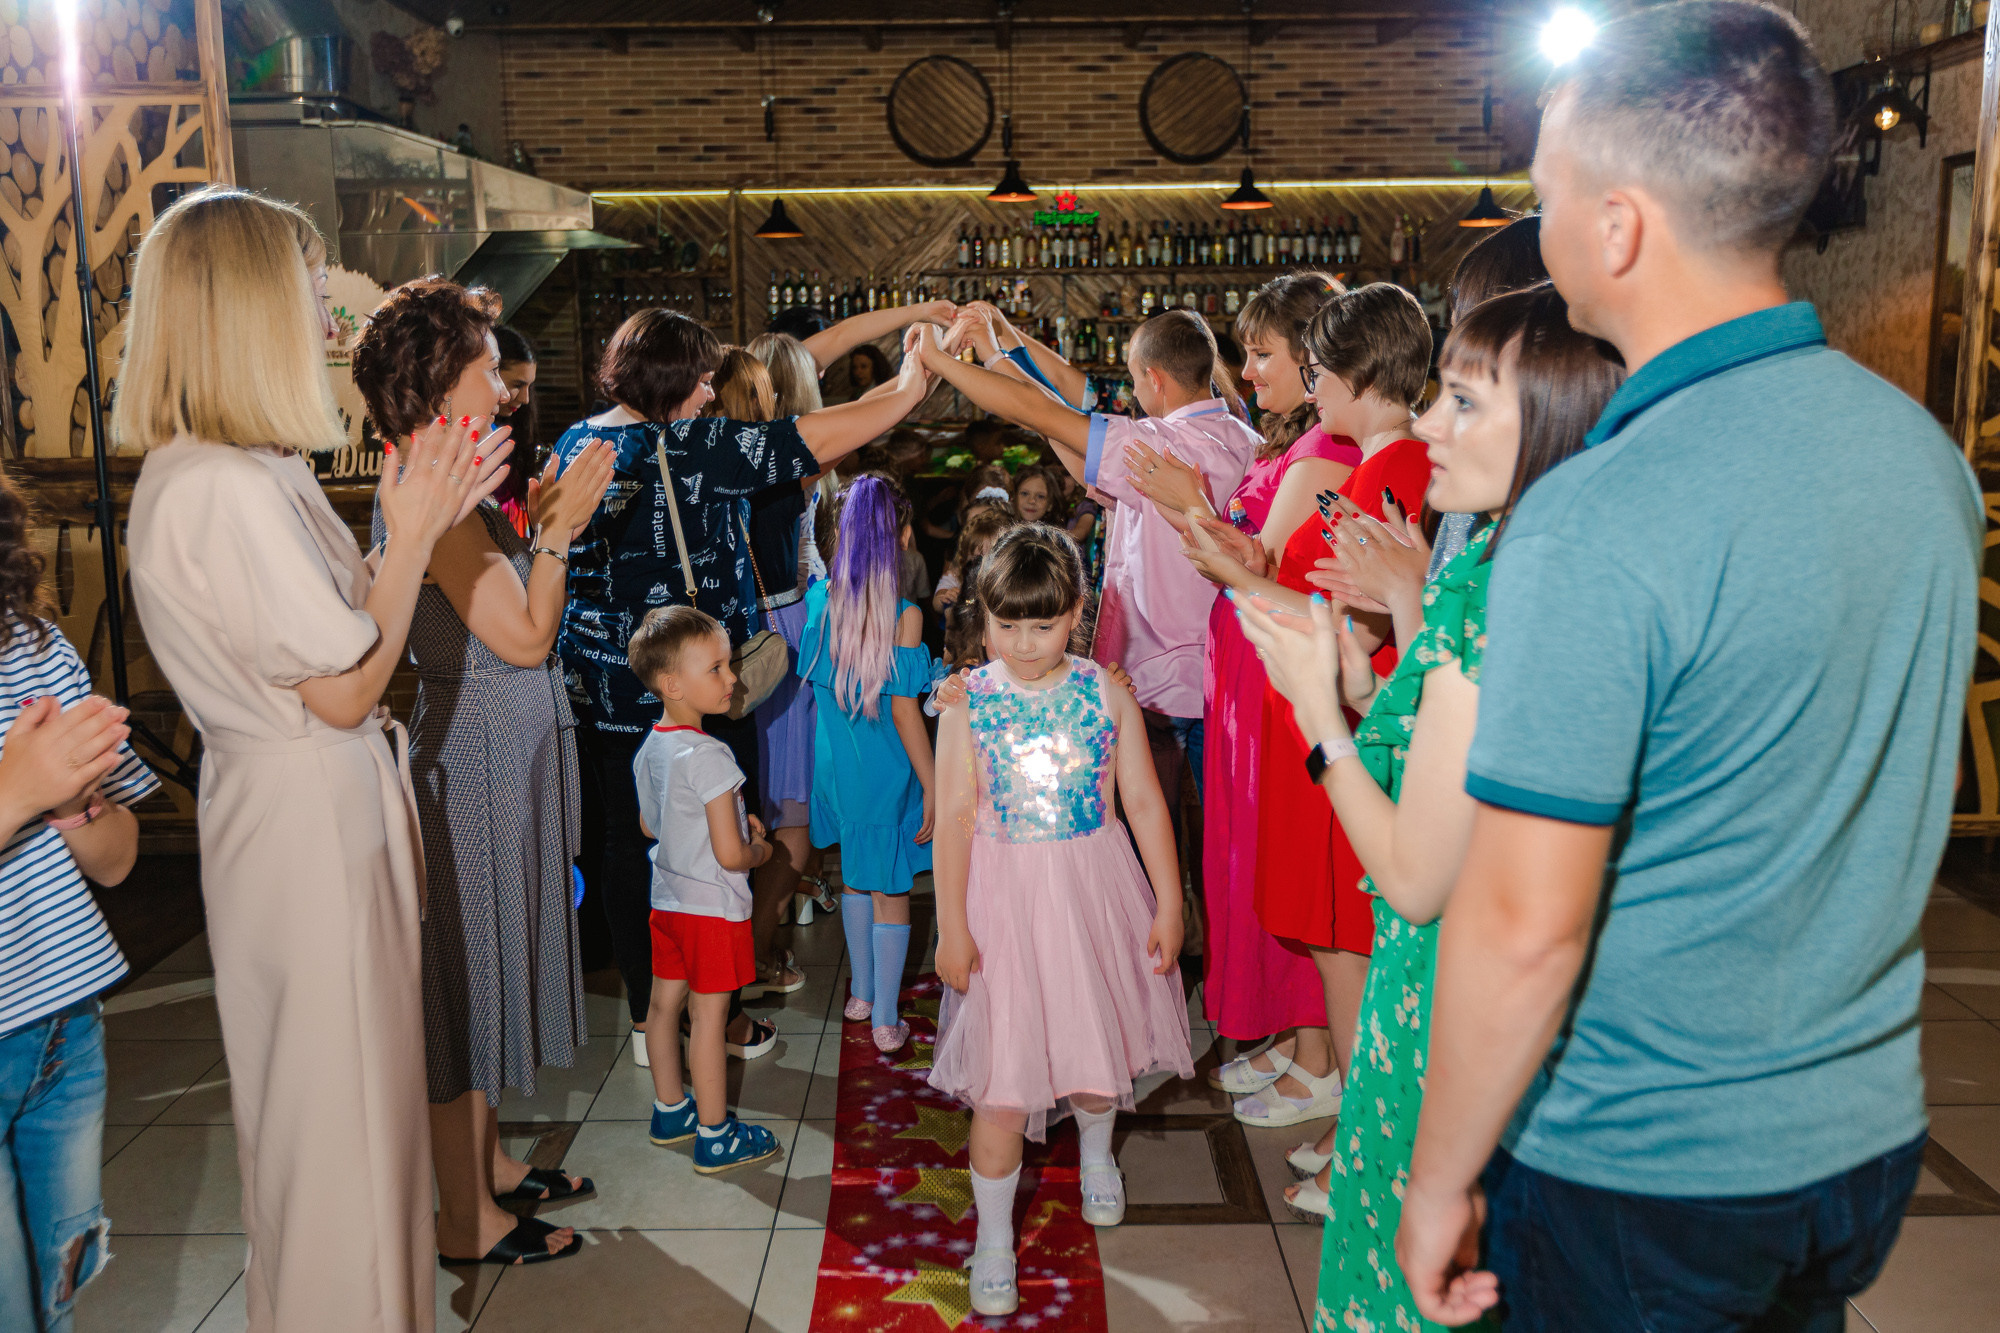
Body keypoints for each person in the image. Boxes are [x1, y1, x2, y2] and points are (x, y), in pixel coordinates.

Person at [1398, 5, 1982, 1326]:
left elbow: (1523, 922)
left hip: (1646, 1160)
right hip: (1860, 1128)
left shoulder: (1601, 511)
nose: (1540, 227)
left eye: (1548, 194)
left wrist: (1437, 1177)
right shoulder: (1920, 455)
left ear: (1617, 228)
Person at [123, 186, 508, 1331]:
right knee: (333, 1139)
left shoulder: (259, 469)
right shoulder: (218, 488)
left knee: (363, 1130)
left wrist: (407, 526)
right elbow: (345, 688)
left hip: (319, 810)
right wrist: (414, 537)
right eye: (301, 291)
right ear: (243, 309)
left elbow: (351, 630)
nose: (320, 318)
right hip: (302, 823)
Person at [1238, 284, 1623, 1330]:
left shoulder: (1500, 594)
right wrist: (1358, 684)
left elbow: (1411, 876)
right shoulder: (1534, 562)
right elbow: (1426, 739)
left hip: (1447, 989)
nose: (1428, 423)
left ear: (1546, 418)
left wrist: (1319, 717)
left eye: (1460, 403)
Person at [556, 312, 936, 1071]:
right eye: (698, 377)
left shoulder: (578, 441)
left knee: (631, 847)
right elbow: (820, 437)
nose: (708, 390)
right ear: (669, 379)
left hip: (605, 685)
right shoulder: (695, 444)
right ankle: (715, 1018)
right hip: (699, 690)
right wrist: (912, 381)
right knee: (721, 848)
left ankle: (648, 1014)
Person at [349, 278, 617, 1267]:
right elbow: (522, 632)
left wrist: (542, 519)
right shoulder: (432, 494)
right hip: (472, 755)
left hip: (497, 746)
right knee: (462, 991)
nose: (500, 380)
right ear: (441, 379)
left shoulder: (449, 479)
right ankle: (464, 1216)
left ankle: (490, 1166)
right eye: (483, 361)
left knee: (489, 969)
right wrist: (558, 529)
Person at [928, 524, 1193, 1318]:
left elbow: (1144, 799)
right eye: (1005, 624)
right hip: (1003, 903)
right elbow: (954, 818)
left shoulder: (1106, 691)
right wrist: (950, 925)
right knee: (1002, 1083)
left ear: (1077, 610)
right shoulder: (967, 701)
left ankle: (1097, 1154)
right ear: (982, 615)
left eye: (1042, 624)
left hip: (1093, 891)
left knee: (1095, 1043)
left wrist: (1171, 899)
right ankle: (996, 1238)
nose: (1023, 641)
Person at [1124, 272, 1352, 1107]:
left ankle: (1321, 1054)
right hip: (1253, 666)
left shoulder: (1328, 453)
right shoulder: (1292, 444)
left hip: (1283, 673)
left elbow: (1252, 568)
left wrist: (1190, 506)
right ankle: (1301, 1037)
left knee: (1293, 871)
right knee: (1259, 863)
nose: (1244, 370)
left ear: (1317, 354)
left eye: (1261, 353)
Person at [924, 310, 1258, 827]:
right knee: (1227, 839)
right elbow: (1064, 434)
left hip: (1153, 681)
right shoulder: (1246, 438)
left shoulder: (1155, 445)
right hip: (1229, 676)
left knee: (1149, 836)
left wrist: (945, 360)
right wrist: (1008, 369)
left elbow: (1042, 413)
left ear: (1154, 379)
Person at [0, 469, 153, 1333]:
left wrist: (71, 804)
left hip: (63, 1028)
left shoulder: (35, 649)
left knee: (57, 1304)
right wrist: (14, 792)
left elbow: (120, 856)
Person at [627, 605, 785, 1174]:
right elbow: (731, 855)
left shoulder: (652, 748)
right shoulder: (712, 755)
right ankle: (716, 1134)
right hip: (713, 911)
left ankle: (672, 1110)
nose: (733, 678)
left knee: (664, 1006)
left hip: (667, 901)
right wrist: (761, 850)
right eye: (716, 668)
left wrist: (729, 825)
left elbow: (652, 825)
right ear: (672, 684)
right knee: (711, 1018)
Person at [797, 476, 938, 1052]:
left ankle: (859, 993)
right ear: (902, 538)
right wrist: (932, 783)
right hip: (885, 774)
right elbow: (906, 714)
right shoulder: (904, 617)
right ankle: (885, 1018)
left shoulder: (818, 600)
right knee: (892, 890)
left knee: (854, 873)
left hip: (834, 769)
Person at [491, 323, 539, 536]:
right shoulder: (479, 433)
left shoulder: (507, 428)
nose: (526, 398)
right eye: (517, 385)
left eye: (529, 386)